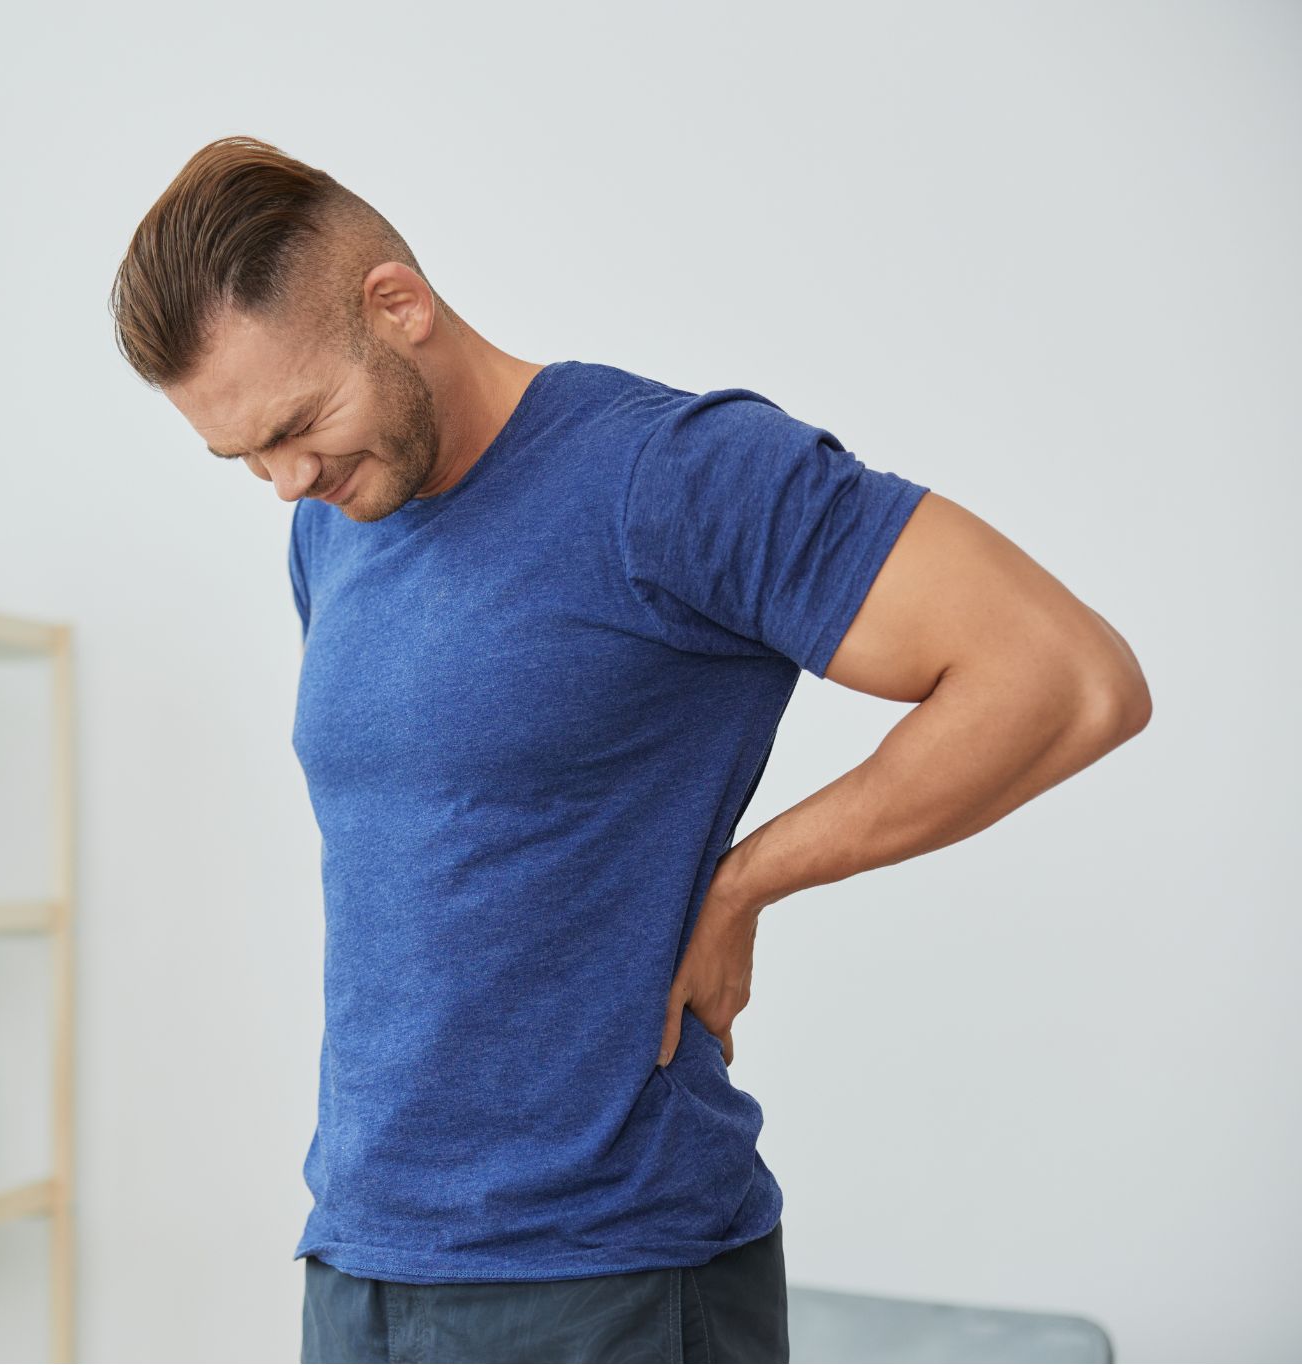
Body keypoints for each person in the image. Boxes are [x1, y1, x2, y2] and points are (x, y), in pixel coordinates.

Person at [109, 136, 1151, 1364]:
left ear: (395, 305)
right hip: (360, 1264)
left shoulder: (667, 475)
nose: (285, 481)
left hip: (606, 1277)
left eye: (296, 425)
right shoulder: (335, 521)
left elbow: (1061, 678)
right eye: (243, 459)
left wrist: (748, 878)